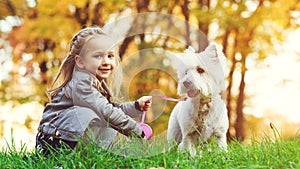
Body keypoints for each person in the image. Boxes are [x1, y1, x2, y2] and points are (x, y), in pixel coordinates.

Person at [35, 26, 152, 156]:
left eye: (110, 56)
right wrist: (136, 131)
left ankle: (99, 154)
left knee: (102, 117)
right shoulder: (81, 84)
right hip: (52, 141)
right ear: (80, 61)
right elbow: (107, 112)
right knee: (94, 115)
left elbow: (111, 108)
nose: (106, 62)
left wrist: (135, 106)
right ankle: (69, 155)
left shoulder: (95, 84)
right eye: (98, 56)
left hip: (63, 135)